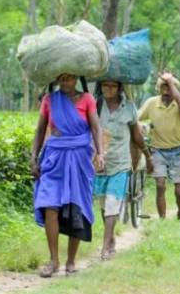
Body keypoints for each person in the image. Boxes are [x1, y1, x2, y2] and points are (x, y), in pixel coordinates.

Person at [31, 73, 104, 277]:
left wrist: (100, 153)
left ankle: (71, 261)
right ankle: (54, 261)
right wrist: (33, 157)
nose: (65, 82)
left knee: (76, 207)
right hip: (54, 157)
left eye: (69, 78)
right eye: (61, 78)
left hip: (79, 158)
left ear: (76, 79)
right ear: (56, 79)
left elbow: (96, 127)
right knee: (49, 206)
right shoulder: (49, 100)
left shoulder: (88, 100)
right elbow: (40, 130)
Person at [93, 80, 153, 261]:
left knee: (113, 202)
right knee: (104, 205)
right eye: (104, 86)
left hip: (121, 163)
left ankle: (105, 248)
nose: (108, 89)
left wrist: (148, 157)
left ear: (119, 88)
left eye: (112, 86)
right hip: (101, 164)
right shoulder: (96, 104)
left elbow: (136, 136)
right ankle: (110, 239)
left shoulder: (129, 107)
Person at [138, 72, 180, 221]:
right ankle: (162, 219)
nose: (166, 89)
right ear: (159, 88)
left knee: (179, 190)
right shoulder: (152, 102)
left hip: (178, 149)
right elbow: (136, 117)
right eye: (163, 86)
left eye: (170, 86)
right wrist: (142, 126)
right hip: (158, 150)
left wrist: (170, 81)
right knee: (160, 185)